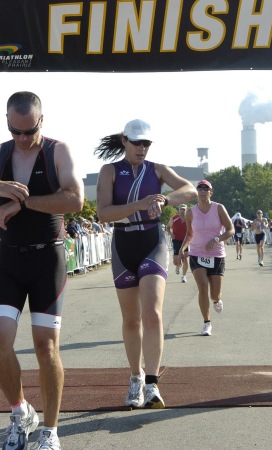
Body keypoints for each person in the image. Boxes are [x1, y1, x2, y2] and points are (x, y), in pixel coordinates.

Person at [0, 91, 84, 450]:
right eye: (14, 131)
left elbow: (75, 200)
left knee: (45, 347)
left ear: (41, 121)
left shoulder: (56, 151)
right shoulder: (2, 154)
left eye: (28, 131)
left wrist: (23, 202)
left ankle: (50, 431)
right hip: (6, 259)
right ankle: (20, 412)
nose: (22, 138)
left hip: (47, 259)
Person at [95, 119, 197, 409]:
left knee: (152, 312)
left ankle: (152, 383)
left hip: (153, 244)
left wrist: (164, 199)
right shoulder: (109, 171)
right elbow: (103, 213)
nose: (142, 148)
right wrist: (140, 204)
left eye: (146, 143)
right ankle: (135, 376)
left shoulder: (158, 170)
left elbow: (189, 189)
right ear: (125, 140)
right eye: (137, 142)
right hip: (123, 245)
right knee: (131, 320)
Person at [178, 180, 234, 336]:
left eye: (206, 189)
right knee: (202, 286)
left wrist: (217, 239)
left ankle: (216, 300)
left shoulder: (218, 208)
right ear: (197, 192)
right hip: (196, 254)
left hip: (216, 255)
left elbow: (231, 230)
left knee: (214, 294)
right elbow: (189, 234)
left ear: (211, 192)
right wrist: (182, 249)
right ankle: (206, 323)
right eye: (200, 189)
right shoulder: (190, 212)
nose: (202, 191)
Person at [166, 204, 189, 282]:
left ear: (186, 210)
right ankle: (178, 266)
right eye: (181, 209)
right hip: (176, 240)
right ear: (179, 210)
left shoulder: (189, 219)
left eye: (184, 209)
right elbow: (167, 227)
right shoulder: (174, 218)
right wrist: (170, 234)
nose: (182, 211)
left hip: (186, 241)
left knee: (185, 258)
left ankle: (184, 276)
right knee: (176, 260)